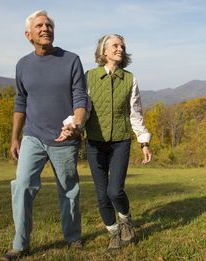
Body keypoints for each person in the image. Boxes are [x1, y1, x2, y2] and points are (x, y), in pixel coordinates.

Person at [1, 10, 88, 260]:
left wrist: (77, 124)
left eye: (48, 25)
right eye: (39, 25)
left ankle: (72, 238)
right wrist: (15, 137)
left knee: (68, 189)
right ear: (29, 35)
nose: (45, 28)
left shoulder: (71, 59)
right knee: (23, 186)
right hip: (33, 136)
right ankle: (20, 245)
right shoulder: (23, 65)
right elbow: (20, 102)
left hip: (64, 137)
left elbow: (80, 97)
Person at [84, 34, 152, 250]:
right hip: (94, 142)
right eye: (115, 45)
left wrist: (144, 142)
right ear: (103, 51)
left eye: (122, 46)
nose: (120, 48)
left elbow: (135, 113)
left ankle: (125, 219)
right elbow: (82, 109)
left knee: (115, 191)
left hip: (121, 141)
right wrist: (73, 127)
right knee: (102, 194)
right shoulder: (89, 76)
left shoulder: (130, 79)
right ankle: (113, 232)